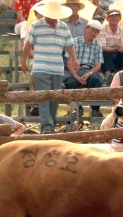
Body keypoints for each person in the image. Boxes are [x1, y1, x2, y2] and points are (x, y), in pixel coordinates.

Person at [21, 0, 78, 134]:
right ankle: (47, 127)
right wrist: (23, 62)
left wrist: (74, 58)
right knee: (44, 98)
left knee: (55, 99)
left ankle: (49, 126)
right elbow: (27, 45)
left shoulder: (63, 26)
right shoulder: (36, 25)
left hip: (57, 68)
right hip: (41, 67)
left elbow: (69, 45)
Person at [64, 20, 105, 117]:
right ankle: (76, 109)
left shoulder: (97, 44)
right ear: (86, 28)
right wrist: (75, 75)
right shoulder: (74, 41)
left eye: (97, 32)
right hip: (76, 69)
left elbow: (98, 65)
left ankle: (95, 109)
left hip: (90, 70)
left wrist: (89, 73)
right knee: (70, 82)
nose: (94, 33)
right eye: (92, 30)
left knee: (96, 80)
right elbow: (69, 61)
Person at [96, 9, 123, 76]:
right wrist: (116, 48)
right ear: (107, 18)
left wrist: (118, 48)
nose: (114, 18)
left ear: (120, 18)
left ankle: (121, 72)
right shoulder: (102, 29)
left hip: (118, 54)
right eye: (111, 16)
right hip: (106, 56)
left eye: (116, 16)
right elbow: (102, 47)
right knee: (106, 52)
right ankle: (108, 73)